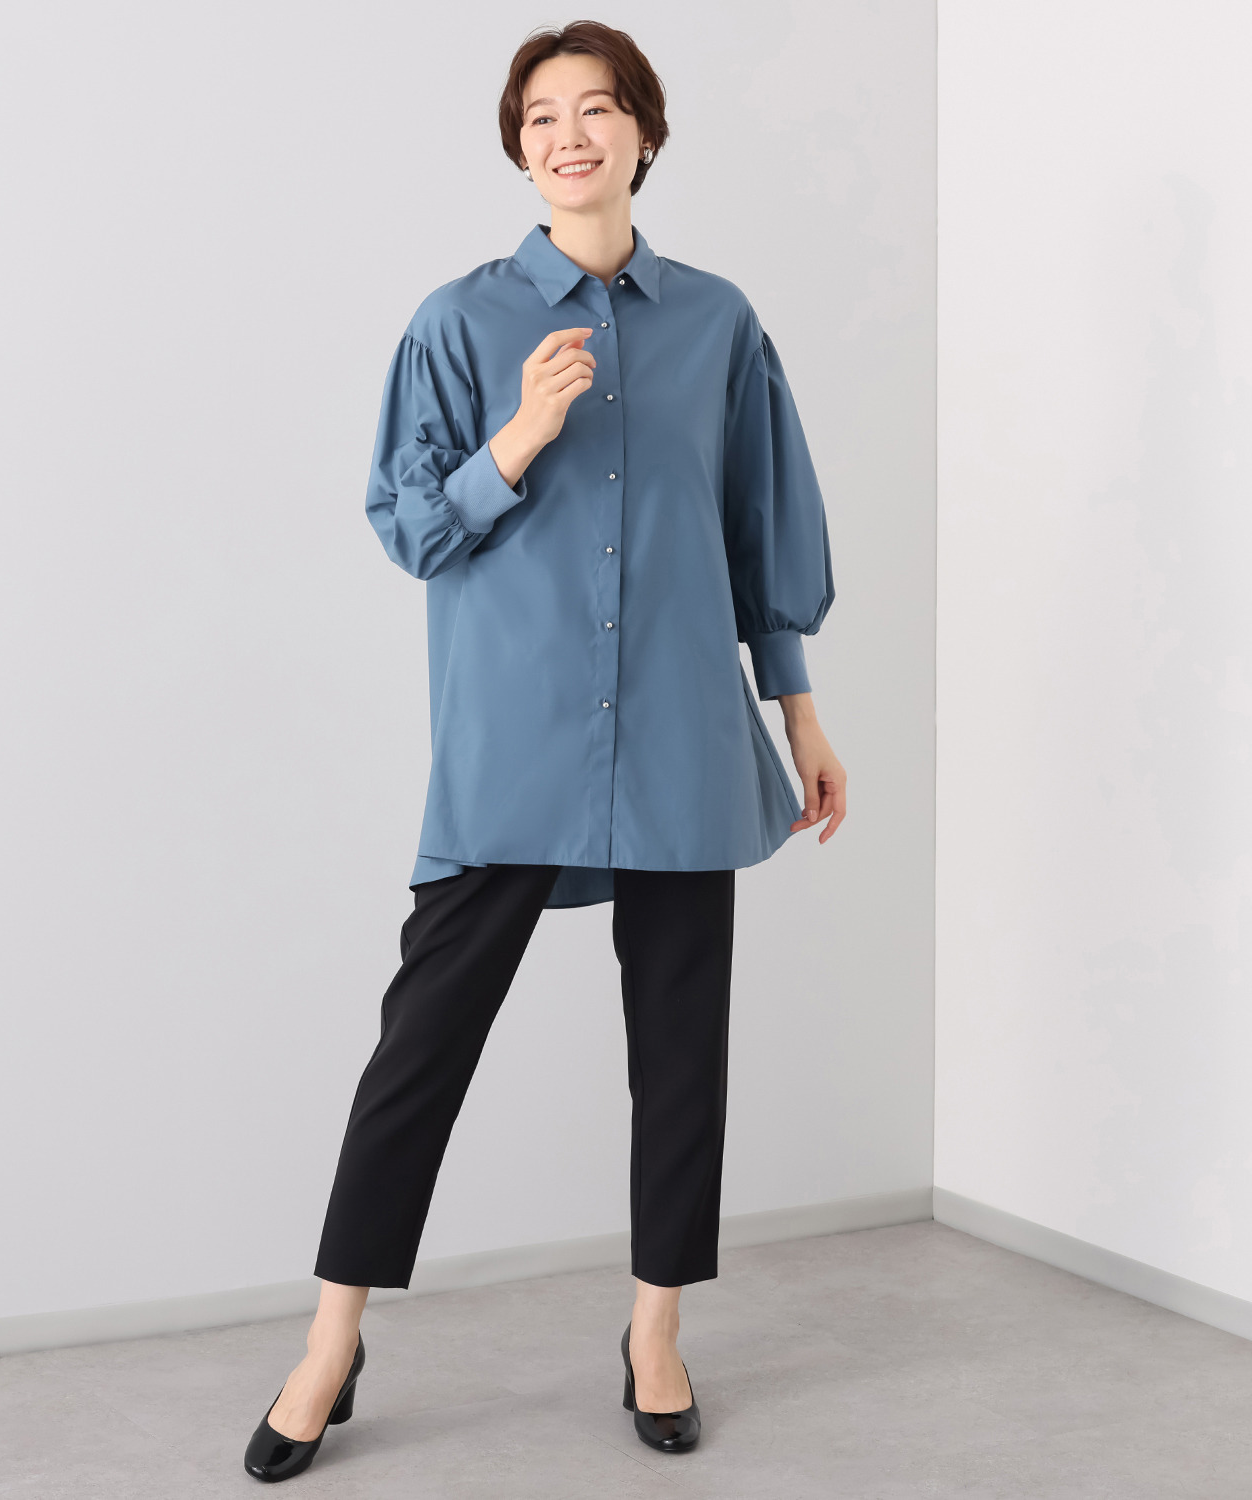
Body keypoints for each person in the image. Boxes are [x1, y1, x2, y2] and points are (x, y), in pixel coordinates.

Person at [243, 19, 846, 1483]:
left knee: (682, 1051)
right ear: (519, 151)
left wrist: (800, 713)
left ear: (644, 131)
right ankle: (330, 1340)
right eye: (540, 119)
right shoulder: (458, 322)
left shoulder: (719, 323)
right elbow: (409, 529)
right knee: (420, 1051)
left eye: (596, 109)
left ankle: (655, 1332)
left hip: (687, 738)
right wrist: (517, 439)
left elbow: (759, 527)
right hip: (512, 746)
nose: (569, 136)